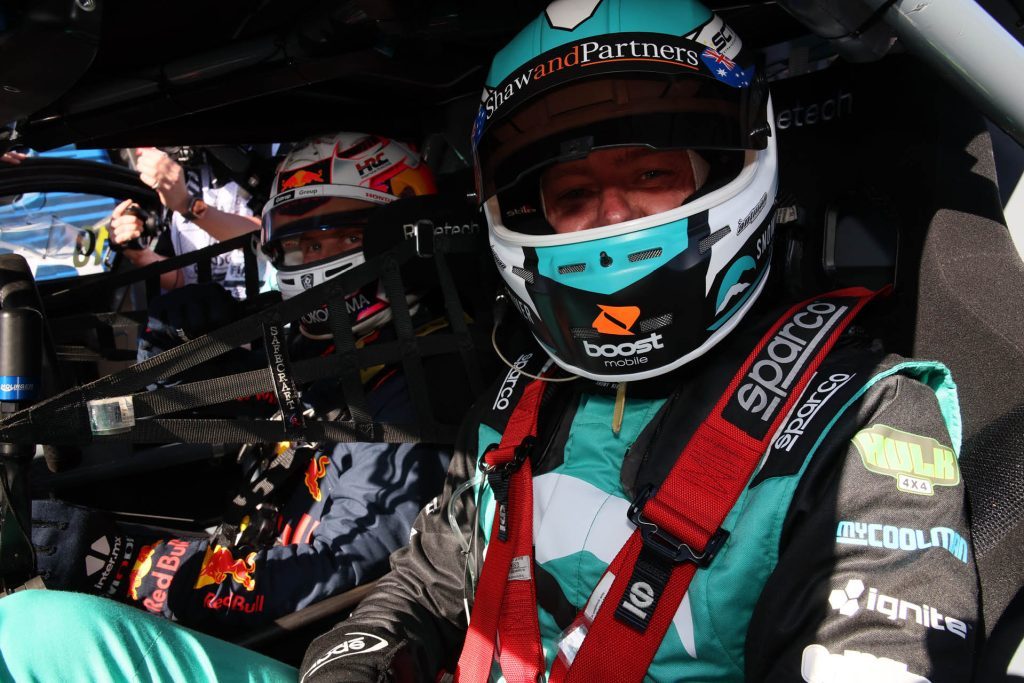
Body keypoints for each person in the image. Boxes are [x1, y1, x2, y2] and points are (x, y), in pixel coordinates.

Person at [297, 2, 980, 682]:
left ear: (725, 167)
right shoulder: (516, 398)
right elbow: (424, 584)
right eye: (574, 193)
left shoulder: (864, 420)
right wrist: (354, 658)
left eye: (651, 175)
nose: (614, 217)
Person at [0, 132, 475, 677]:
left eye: (331, 241)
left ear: (401, 240)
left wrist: (124, 564)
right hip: (250, 574)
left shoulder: (416, 395)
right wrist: (185, 350)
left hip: (305, 649)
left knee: (34, 631)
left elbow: (347, 575)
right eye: (297, 247)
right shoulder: (332, 357)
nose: (309, 262)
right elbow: (228, 419)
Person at [109, 147, 264, 296]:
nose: (139, 150)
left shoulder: (252, 157)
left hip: (264, 304)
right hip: (210, 313)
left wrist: (187, 205)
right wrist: (140, 255)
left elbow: (264, 236)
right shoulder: (160, 185)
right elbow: (182, 277)